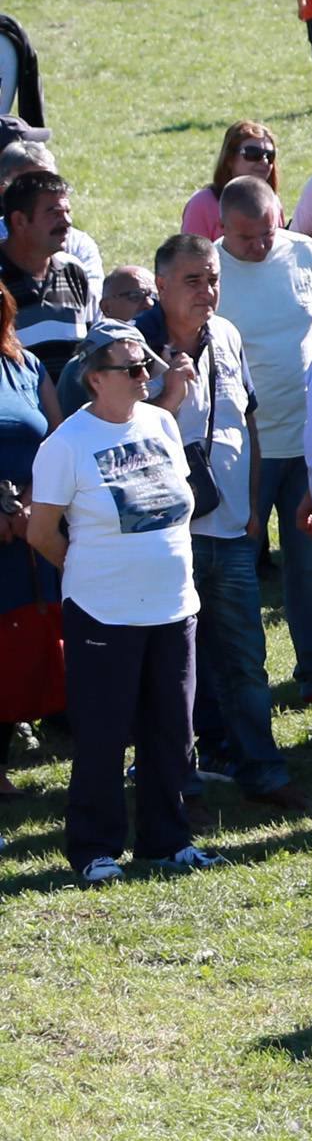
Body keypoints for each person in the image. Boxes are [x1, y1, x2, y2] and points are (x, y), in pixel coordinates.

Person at [27, 322, 221, 882]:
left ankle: (167, 839)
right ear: (94, 379)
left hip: (173, 605)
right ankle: (94, 848)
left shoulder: (161, 422)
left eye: (146, 366)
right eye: (131, 369)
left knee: (172, 731)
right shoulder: (66, 445)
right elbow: (42, 532)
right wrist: (85, 570)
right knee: (103, 733)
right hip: (103, 611)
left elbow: (178, 504)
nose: (146, 376)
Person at [133, 231, 300, 812]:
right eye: (192, 280)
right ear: (160, 287)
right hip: (164, 538)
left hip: (230, 530)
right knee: (168, 666)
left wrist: (254, 510)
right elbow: (117, 439)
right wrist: (168, 398)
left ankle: (264, 770)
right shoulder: (131, 349)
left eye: (213, 279)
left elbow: (245, 424)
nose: (207, 291)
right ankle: (175, 780)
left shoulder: (227, 335)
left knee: (245, 658)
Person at [215, 178, 312, 708]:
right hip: (246, 452)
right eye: (246, 239)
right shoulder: (213, 272)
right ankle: (241, 682)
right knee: (238, 571)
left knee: (310, 567)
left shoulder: (306, 252)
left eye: (267, 233)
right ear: (222, 230)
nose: (259, 246)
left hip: (309, 443)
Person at [0, 284, 62, 796]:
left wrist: (36, 496)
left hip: (28, 527)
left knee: (24, 634)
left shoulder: (29, 365)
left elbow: (58, 440)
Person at [0, 170, 93, 383]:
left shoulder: (74, 270)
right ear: (20, 220)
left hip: (72, 412)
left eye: (67, 211)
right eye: (54, 213)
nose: (67, 221)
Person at [182, 123, 280, 241]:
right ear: (230, 159)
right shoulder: (203, 203)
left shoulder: (273, 202)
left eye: (270, 156)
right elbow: (191, 257)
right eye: (253, 153)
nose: (264, 161)